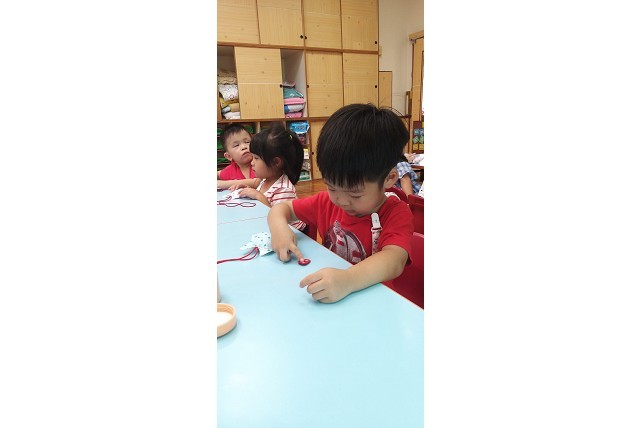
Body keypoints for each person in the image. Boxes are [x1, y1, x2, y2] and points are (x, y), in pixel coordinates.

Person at [267, 104, 414, 303]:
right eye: (332, 187)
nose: (341, 201)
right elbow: (281, 208)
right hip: (333, 295)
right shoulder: (326, 202)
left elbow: (394, 260)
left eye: (355, 194)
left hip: (374, 302)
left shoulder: (396, 212)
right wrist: (279, 229)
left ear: (389, 178)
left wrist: (348, 279)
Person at [230, 124, 306, 231]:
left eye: (256, 158)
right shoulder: (266, 181)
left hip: (289, 233)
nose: (252, 162)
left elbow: (278, 219)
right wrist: (248, 190)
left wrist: (257, 195)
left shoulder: (283, 189)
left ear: (276, 162)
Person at [217, 124, 260, 190]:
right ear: (229, 156)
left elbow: (259, 182)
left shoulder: (261, 163)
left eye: (247, 142)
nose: (244, 147)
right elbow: (218, 174)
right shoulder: (230, 170)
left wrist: (223, 184)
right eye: (236, 145)